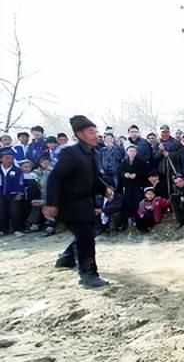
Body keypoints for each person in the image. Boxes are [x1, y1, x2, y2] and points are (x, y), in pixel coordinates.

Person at [44, 115, 113, 288]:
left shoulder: (91, 153)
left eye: (96, 131)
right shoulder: (68, 152)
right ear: (79, 133)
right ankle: (88, 274)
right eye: (91, 132)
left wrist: (104, 189)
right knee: (86, 236)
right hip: (69, 203)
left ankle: (66, 258)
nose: (96, 135)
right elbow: (53, 177)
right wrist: (50, 203)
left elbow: (94, 178)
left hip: (85, 203)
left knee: (87, 233)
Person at [0, 148, 25, 235]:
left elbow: (20, 182)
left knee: (15, 211)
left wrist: (20, 193)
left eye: (11, 158)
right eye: (7, 158)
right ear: (1, 159)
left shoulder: (17, 170)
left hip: (13, 194)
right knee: (1, 211)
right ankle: (2, 230)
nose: (9, 160)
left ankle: (16, 229)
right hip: (1, 194)